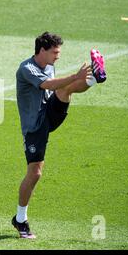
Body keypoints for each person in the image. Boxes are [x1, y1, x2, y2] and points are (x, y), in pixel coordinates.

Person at [12, 32, 107, 238]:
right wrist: (75, 76)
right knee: (35, 173)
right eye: (55, 52)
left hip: (49, 113)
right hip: (34, 127)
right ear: (42, 50)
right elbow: (47, 85)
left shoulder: (48, 65)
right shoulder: (26, 68)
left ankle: (95, 77)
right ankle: (20, 219)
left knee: (66, 90)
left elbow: (57, 86)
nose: (58, 56)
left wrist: (77, 79)